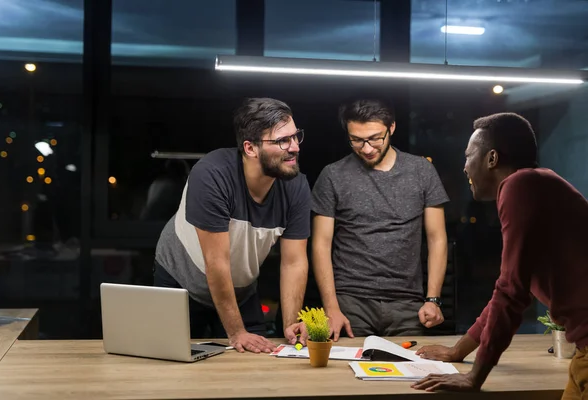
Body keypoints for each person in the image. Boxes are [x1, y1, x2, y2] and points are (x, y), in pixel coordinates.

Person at [412, 112, 588, 398]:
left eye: (469, 156)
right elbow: (506, 292)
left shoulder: (519, 186)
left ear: (492, 158)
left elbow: (511, 293)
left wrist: (474, 377)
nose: (465, 168)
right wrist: (459, 351)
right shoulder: (539, 183)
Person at [153, 98, 311, 354]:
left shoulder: (296, 186)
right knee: (173, 365)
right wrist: (236, 332)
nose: (294, 147)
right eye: (283, 141)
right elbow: (216, 263)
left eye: (296, 137)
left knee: (254, 362)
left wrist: (291, 323)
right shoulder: (212, 175)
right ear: (250, 148)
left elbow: (293, 262)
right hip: (181, 280)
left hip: (240, 287)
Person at [311, 99, 450, 340]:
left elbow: (437, 239)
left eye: (375, 138)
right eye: (356, 139)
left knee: (411, 374)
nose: (366, 148)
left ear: (392, 128)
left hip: (408, 304)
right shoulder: (332, 175)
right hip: (350, 303)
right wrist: (331, 307)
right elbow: (321, 245)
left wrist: (433, 299)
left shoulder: (421, 171)